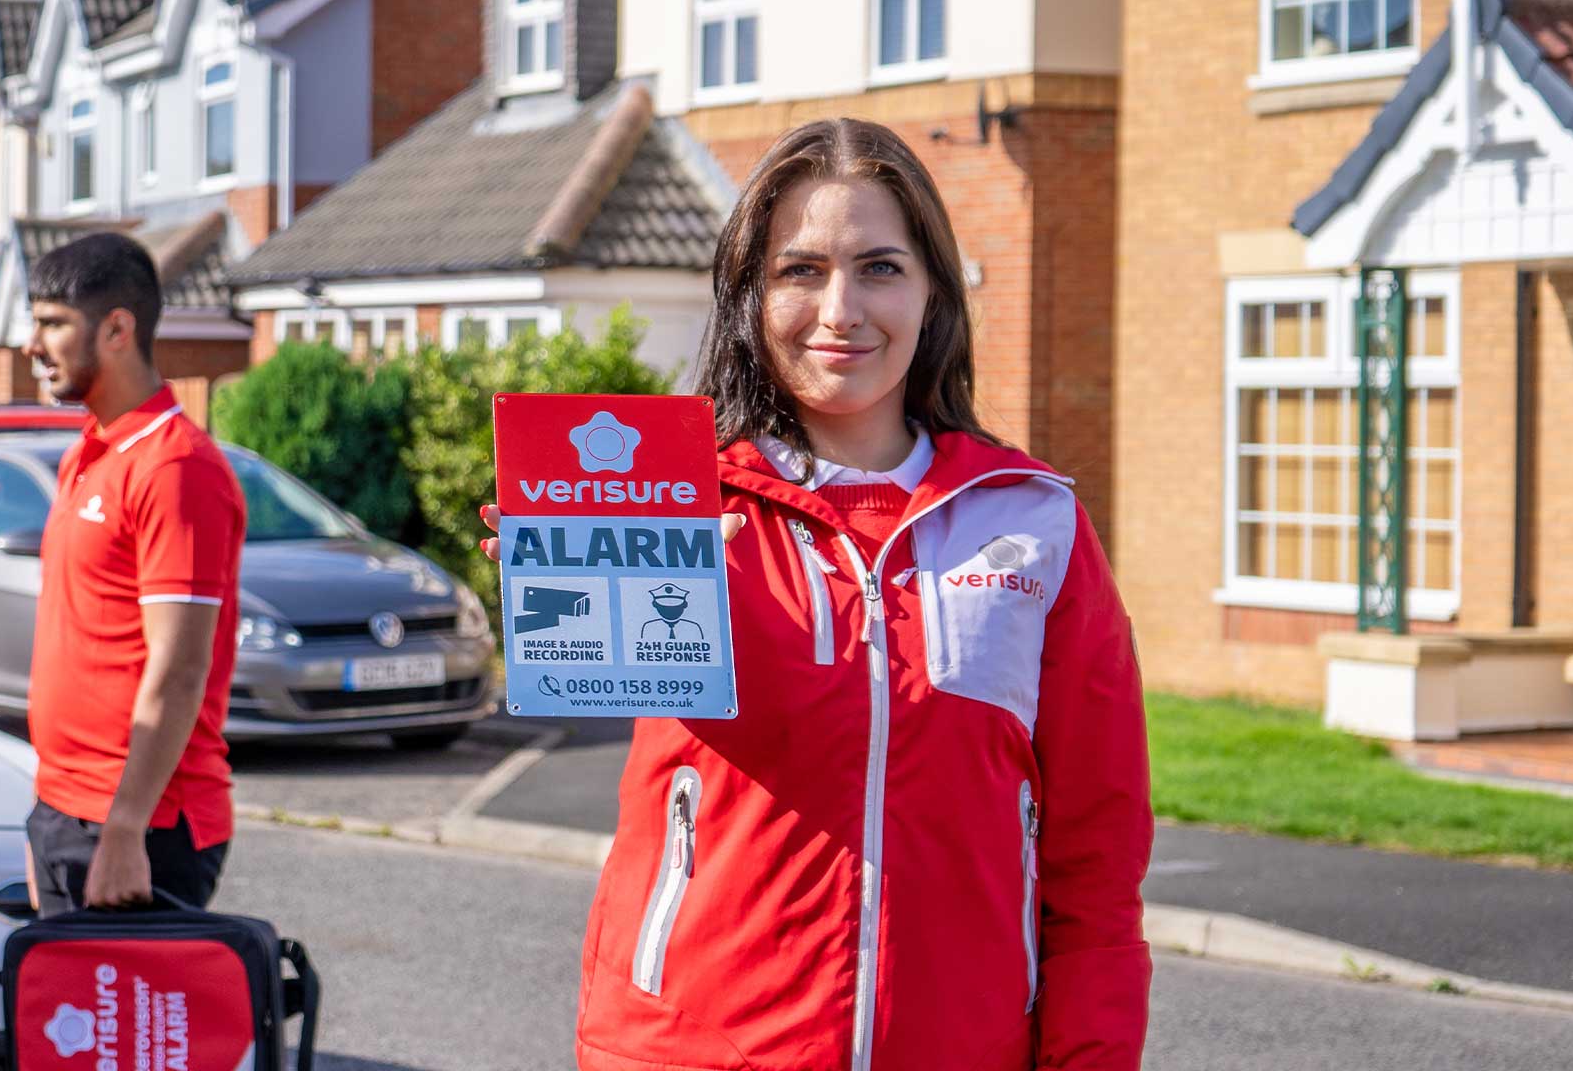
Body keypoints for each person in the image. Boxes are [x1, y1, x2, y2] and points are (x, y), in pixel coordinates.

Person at [484, 119, 1151, 1069]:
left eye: (879, 268)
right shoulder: (673, 507)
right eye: (799, 270)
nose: (840, 310)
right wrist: (564, 589)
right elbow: (600, 695)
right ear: (749, 296)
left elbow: (1097, 851)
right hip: (694, 1050)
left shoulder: (1033, 521)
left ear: (931, 291)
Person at [17, 232, 246, 915]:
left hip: (141, 824)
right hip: (65, 808)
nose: (31, 345)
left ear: (117, 329)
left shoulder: (175, 467)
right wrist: (48, 813)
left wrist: (123, 827)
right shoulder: (86, 453)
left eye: (52, 324)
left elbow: (179, 668)